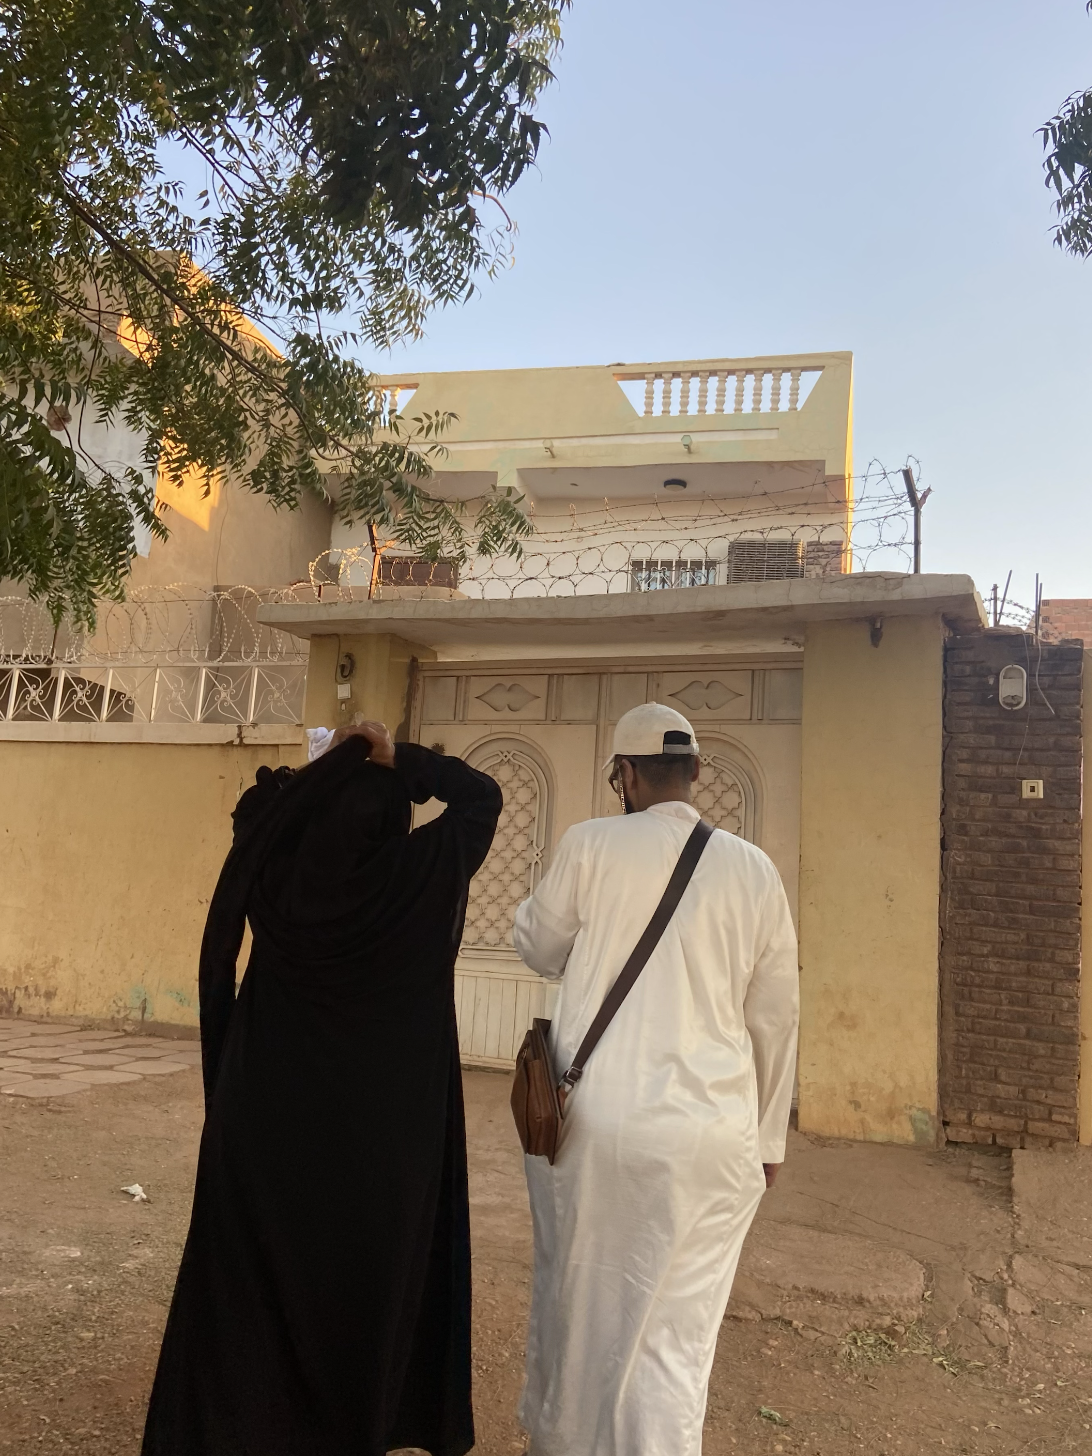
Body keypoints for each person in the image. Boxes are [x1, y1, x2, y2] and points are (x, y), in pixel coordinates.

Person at [142, 722, 502, 1456]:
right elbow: (482, 798)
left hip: (267, 1121)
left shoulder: (273, 876)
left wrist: (324, 769)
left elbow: (256, 810)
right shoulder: (418, 877)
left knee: (255, 1280)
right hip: (380, 1141)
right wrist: (400, 757)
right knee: (361, 1289)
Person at [512, 702, 799, 1456]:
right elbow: (776, 1015)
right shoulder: (755, 870)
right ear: (696, 771)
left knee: (584, 1314)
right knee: (677, 1335)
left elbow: (538, 947)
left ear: (625, 774)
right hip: (715, 1138)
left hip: (598, 1128)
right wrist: (768, 1139)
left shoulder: (590, 843)